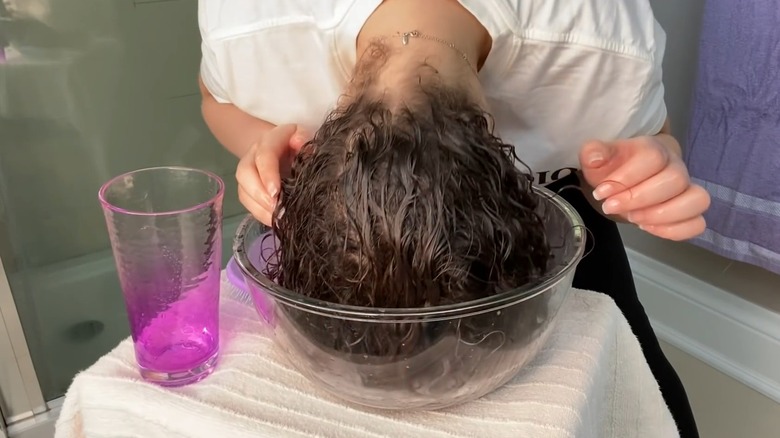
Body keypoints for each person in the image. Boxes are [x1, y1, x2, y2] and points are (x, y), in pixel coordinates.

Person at [197, 1, 709, 436]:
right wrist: (267, 151)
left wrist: (630, 181)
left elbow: (648, 139)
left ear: (501, 153)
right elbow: (212, 99)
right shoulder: (247, 26)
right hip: (335, 219)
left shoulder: (607, 49)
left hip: (554, 206)